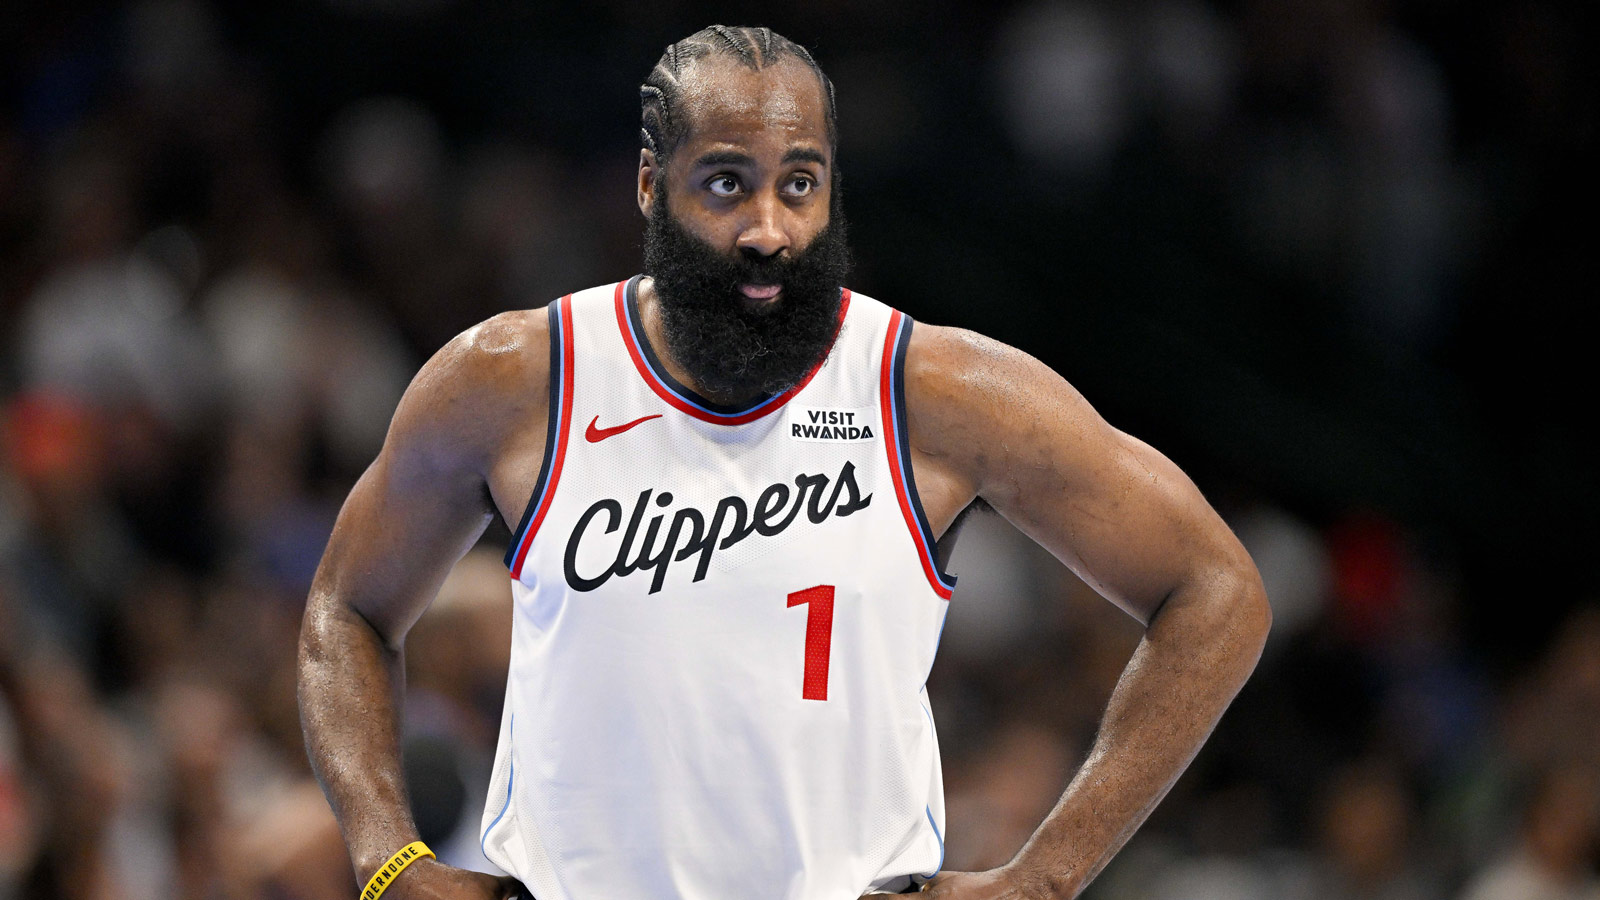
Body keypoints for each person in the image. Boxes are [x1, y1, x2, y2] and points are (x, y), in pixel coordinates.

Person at [297, 25, 1272, 900]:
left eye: (797, 182)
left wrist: (1045, 879)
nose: (768, 227)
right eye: (727, 181)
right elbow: (345, 608)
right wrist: (390, 862)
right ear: (649, 183)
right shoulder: (517, 380)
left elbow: (1215, 591)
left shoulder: (937, 393)